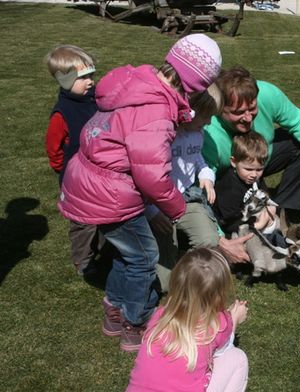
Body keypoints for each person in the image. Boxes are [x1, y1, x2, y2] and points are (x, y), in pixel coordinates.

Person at [58, 34, 222, 352]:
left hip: (91, 180)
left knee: (129, 253)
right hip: (111, 192)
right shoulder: (157, 113)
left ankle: (114, 308)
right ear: (196, 84)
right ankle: (136, 322)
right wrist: (173, 209)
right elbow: (153, 176)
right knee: (145, 258)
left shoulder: (139, 81)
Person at [202, 66, 300, 226]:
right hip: (226, 175)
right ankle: (235, 219)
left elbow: (299, 121)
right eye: (239, 112)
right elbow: (202, 189)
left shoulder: (268, 94)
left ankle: (285, 211)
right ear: (220, 108)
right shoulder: (209, 134)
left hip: (261, 159)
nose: (248, 118)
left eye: (252, 108)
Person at [127, 248, 249, 392]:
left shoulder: (161, 314)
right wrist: (233, 320)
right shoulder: (219, 323)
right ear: (219, 293)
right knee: (237, 357)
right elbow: (224, 350)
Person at [147, 84, 230, 293]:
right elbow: (146, 175)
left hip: (186, 197)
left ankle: (190, 279)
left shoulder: (197, 132)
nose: (210, 122)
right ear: (189, 112)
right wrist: (152, 211)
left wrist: (205, 174)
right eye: (206, 117)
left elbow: (196, 156)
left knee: (209, 240)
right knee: (164, 272)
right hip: (160, 202)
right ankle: (166, 283)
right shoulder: (167, 134)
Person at [44, 44, 103, 277]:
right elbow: (54, 148)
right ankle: (83, 259)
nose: (90, 81)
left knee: (103, 214)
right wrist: (64, 170)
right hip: (76, 178)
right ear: (65, 80)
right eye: (83, 77)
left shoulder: (95, 100)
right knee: (83, 223)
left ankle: (102, 250)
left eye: (92, 75)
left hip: (99, 172)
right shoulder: (62, 113)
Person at [213, 131, 282, 242]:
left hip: (251, 217)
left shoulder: (253, 178)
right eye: (248, 169)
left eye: (259, 169)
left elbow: (264, 194)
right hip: (232, 228)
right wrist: (257, 225)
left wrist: (270, 207)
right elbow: (228, 223)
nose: (254, 175)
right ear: (234, 162)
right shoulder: (230, 188)